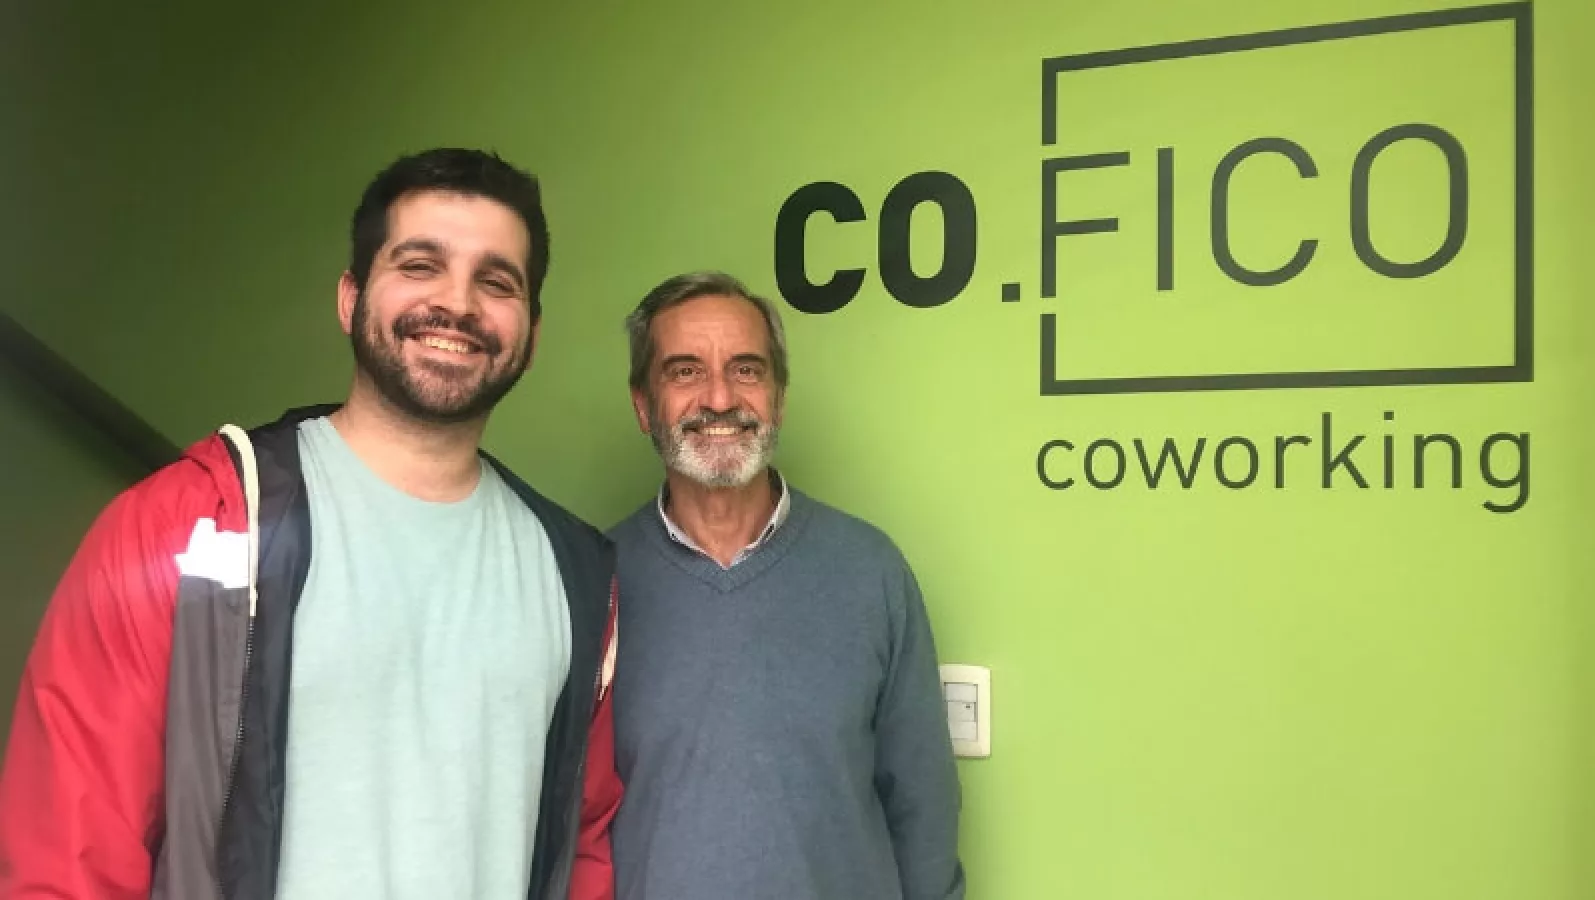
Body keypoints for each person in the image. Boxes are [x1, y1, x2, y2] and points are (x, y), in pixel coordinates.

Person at [0, 148, 621, 900]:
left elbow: (582, 848)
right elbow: (71, 848)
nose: (457, 304)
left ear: (532, 332)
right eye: (420, 265)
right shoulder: (190, 524)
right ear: (350, 299)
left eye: (496, 282)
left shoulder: (576, 576)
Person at [606, 271, 965, 899]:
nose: (721, 398)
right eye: (685, 372)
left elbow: (924, 806)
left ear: (778, 398)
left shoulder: (870, 572)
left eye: (746, 370)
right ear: (643, 405)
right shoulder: (593, 584)